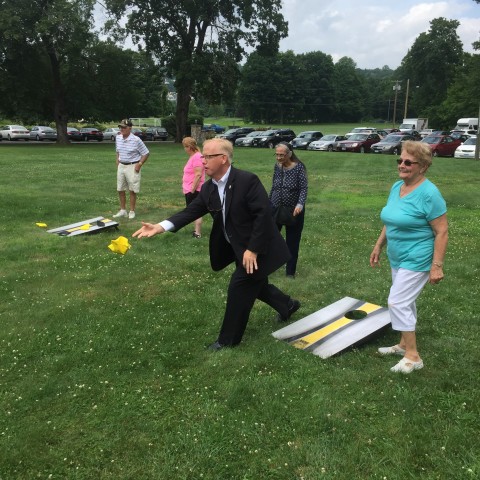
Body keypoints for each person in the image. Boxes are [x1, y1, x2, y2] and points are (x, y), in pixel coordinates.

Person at [133, 138, 300, 350]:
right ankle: (288, 305)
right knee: (256, 285)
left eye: (208, 156)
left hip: (260, 247)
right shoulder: (209, 188)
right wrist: (161, 226)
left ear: (223, 159)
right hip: (240, 249)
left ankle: (227, 340)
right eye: (202, 156)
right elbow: (191, 211)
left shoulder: (247, 181)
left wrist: (253, 249)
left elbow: (264, 216)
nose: (202, 160)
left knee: (239, 286)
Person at [370, 140, 448, 374]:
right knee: (406, 300)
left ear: (422, 167)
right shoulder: (397, 187)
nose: (402, 165)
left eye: (408, 162)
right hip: (398, 255)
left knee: (398, 301)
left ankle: (413, 356)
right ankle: (403, 344)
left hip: (418, 257)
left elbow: (442, 231)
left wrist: (437, 266)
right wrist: (378, 245)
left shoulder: (429, 193)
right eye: (400, 161)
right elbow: (390, 219)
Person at [269, 142, 308, 278]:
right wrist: (269, 203)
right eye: (277, 155)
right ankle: (269, 266)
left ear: (289, 154)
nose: (279, 158)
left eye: (282, 155)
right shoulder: (277, 166)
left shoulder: (298, 167)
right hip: (276, 208)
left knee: (292, 242)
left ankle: (290, 272)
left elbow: (303, 188)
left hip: (293, 211)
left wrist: (300, 204)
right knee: (271, 239)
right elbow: (274, 185)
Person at [113, 119, 150, 220]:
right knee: (120, 189)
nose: (122, 129)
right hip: (121, 165)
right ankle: (123, 210)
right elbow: (118, 151)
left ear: (130, 128)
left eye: (124, 127)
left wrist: (140, 164)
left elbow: (146, 153)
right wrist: (117, 161)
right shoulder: (118, 138)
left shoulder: (136, 140)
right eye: (120, 127)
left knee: (132, 189)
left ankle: (132, 211)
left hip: (132, 166)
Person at [181, 137, 205, 238]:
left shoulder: (197, 157)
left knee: (196, 211)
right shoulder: (194, 156)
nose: (184, 149)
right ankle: (196, 231)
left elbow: (198, 174)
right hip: (189, 189)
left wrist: (192, 190)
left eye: (185, 147)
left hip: (195, 190)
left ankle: (197, 233)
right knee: (193, 211)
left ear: (189, 147)